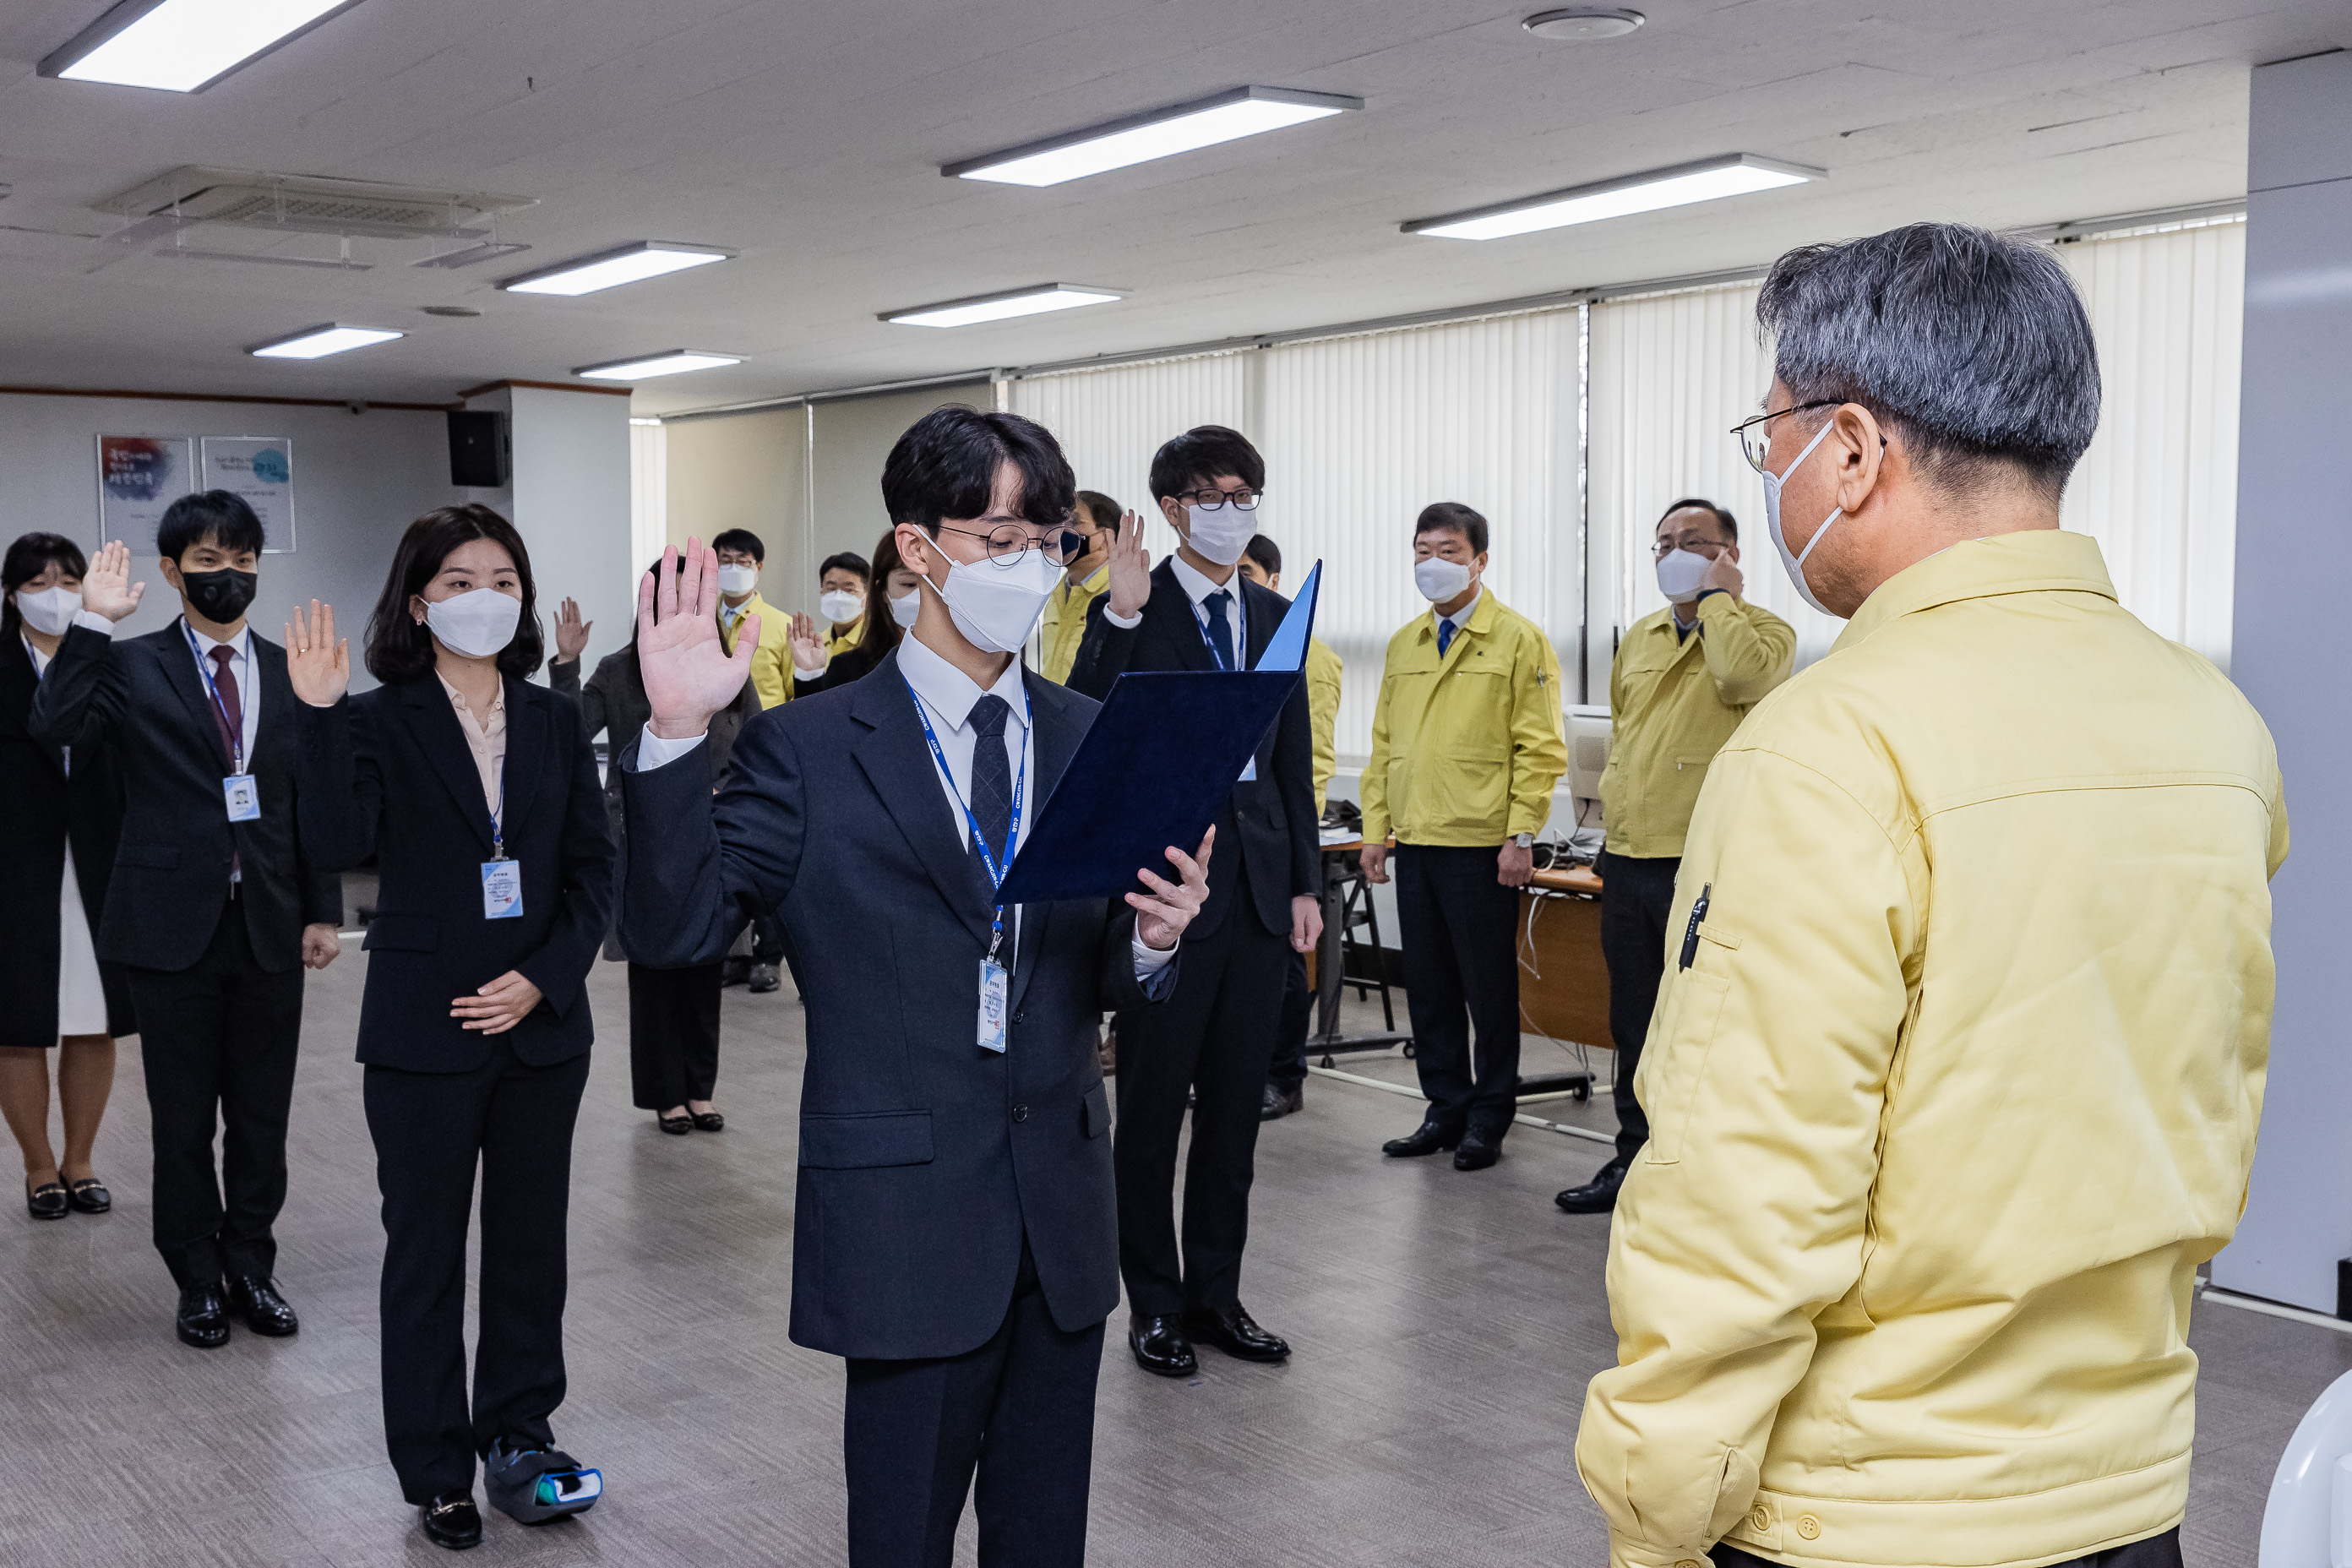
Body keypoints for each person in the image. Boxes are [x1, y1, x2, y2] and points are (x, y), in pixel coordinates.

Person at [1578, 223, 2287, 1568]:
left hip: (1876, 1510)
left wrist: (1654, 1523)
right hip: (2128, 1494)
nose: (1772, 470)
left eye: (1772, 432)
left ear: (1851, 448)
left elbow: (1743, 1202)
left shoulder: (1828, 744)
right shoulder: (2217, 727)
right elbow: (2211, 1101)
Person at [618, 404, 1209, 1568]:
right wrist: (679, 734)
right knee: (902, 1538)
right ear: (919, 548)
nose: (1027, 564)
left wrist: (1154, 940)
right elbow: (677, 929)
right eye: (997, 538)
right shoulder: (809, 747)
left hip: (1063, 1216)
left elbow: (1101, 972)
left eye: (1048, 540)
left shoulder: (1094, 733)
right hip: (903, 1213)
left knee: (1044, 1540)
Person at [287, 504, 614, 1551]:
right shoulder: (378, 719)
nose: (487, 597)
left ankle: (520, 1435)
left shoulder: (559, 719)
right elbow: (339, 840)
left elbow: (593, 873)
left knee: (530, 1249)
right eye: (462, 579)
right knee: (423, 1254)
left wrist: (542, 978)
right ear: (421, 600)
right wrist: (321, 716)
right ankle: (434, 1468)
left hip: (540, 1028)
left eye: (505, 579)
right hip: (424, 1032)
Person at [31, 495, 342, 1349]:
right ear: (171, 571)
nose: (228, 574)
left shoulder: (289, 669)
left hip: (270, 922)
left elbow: (304, 800)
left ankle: (251, 1263)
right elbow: (53, 726)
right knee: (181, 1119)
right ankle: (197, 1275)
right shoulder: (129, 668)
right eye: (207, 560)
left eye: (242, 558)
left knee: (261, 1116)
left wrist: (324, 909)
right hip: (169, 928)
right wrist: (89, 625)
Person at [1068, 424, 1320, 1377]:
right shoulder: (1134, 601)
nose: (1232, 509)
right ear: (1172, 509)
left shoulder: (1273, 610)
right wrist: (1120, 619)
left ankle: (1219, 1296)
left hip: (1257, 893)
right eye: (1213, 495)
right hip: (1165, 893)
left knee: (1232, 1119)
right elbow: (1083, 722)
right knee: (1152, 1114)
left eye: (1244, 492)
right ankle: (1156, 1303)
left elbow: (1290, 755)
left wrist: (1303, 880)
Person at [1554, 498, 1792, 1214]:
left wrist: (1719, 600)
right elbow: (1624, 739)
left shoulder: (1762, 633)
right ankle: (1632, 1161)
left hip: (1705, 865)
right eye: (1662, 544)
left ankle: (1699, 1176)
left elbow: (1741, 681)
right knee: (1634, 1021)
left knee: (1703, 1024)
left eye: (1692, 542)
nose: (1673, 554)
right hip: (1627, 855)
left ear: (1730, 553)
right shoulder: (1643, 637)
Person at [1360, 503, 1566, 1172]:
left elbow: (1539, 747)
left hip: (1482, 845)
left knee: (1487, 990)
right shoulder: (1404, 643)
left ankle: (1488, 1116)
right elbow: (1384, 744)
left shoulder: (1517, 639)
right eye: (1422, 551)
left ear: (1480, 560)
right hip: (1416, 839)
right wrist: (1374, 831)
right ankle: (1443, 1109)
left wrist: (1522, 833)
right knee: (1430, 990)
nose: (1432, 564)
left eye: (1448, 551)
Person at [551, 560, 759, 1135]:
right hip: (638, 839)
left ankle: (699, 1089)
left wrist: (732, 792)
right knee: (653, 974)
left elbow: (757, 742)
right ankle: (666, 1094)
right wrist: (566, 665)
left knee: (705, 968)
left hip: (713, 832)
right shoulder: (619, 670)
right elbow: (569, 729)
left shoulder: (728, 667)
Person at [0, 534, 133, 1221]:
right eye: (36, 580)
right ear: (10, 592)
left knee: (93, 1018)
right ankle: (36, 1164)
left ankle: (80, 1159)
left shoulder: (111, 665)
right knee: (18, 1024)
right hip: (17, 869)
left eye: (67, 578)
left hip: (99, 863)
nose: (53, 592)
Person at [1237, 532, 1339, 1123]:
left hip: (1276, 838)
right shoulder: (1234, 640)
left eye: (1251, 571)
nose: (1242, 582)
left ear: (1275, 578)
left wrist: (1296, 854)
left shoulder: (1307, 653)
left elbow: (1310, 763)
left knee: (1281, 973)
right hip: (1232, 834)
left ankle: (1285, 1075)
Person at [711, 526, 791, 991]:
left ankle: (769, 956)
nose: (733, 568)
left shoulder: (778, 625)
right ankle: (736, 955)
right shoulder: (704, 623)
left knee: (771, 855)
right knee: (731, 855)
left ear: (759, 568)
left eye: (743, 561)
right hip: (719, 757)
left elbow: (796, 693)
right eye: (725, 559)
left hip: (772, 756)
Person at [787, 528, 920, 696]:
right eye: (909, 584)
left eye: (937, 585)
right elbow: (819, 719)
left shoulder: (961, 663)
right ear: (881, 591)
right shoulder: (851, 666)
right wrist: (809, 676)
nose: (924, 595)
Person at [1039, 490, 1119, 684]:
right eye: (1059, 523)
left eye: (1074, 523)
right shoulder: (1056, 589)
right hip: (1052, 706)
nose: (1062, 531)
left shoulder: (1118, 595)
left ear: (1107, 537)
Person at [817, 550, 871, 661]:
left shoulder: (876, 644)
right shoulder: (816, 645)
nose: (838, 597)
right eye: (831, 589)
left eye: (849, 589)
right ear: (822, 590)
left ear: (868, 594)